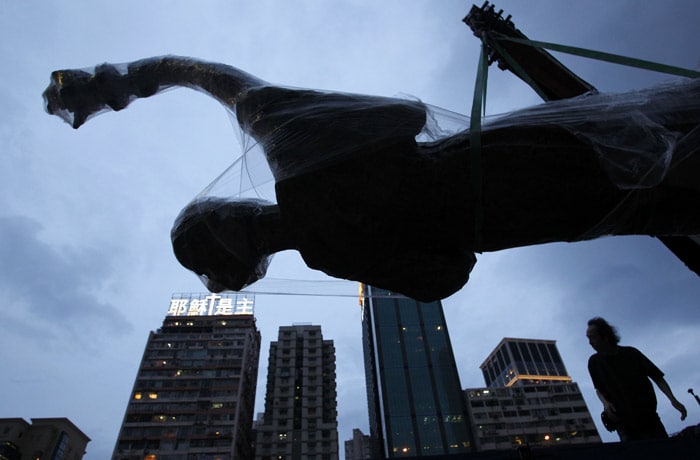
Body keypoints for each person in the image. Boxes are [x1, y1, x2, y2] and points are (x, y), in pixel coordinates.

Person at [42, 56, 700, 301]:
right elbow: (405, 113)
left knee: (670, 202)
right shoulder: (292, 149)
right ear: (230, 214)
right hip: (530, 153)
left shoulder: (334, 256)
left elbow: (447, 276)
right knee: (674, 136)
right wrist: (117, 84)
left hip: (547, 218)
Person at [586, 317, 687, 441]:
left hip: (649, 419)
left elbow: (657, 377)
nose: (590, 342)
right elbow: (599, 389)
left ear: (605, 337)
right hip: (623, 424)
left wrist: (673, 400)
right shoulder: (594, 362)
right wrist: (606, 404)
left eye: (592, 337)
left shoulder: (631, 354)